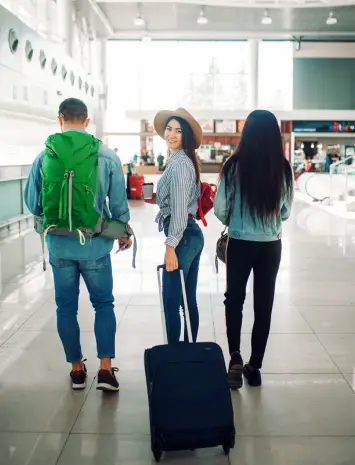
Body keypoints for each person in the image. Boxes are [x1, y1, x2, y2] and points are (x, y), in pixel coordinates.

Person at [24, 98, 132, 392]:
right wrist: (123, 232)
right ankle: (106, 370)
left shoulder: (44, 156)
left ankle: (76, 370)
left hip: (59, 246)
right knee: (103, 304)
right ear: (87, 121)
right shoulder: (106, 155)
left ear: (60, 119)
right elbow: (120, 205)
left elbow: (33, 203)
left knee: (65, 308)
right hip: (95, 245)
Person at [214, 110, 293, 389]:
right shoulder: (283, 168)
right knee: (264, 304)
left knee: (234, 299)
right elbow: (285, 211)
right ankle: (254, 366)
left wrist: (236, 222)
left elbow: (221, 208)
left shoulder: (233, 165)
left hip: (240, 243)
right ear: (275, 135)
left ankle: (234, 357)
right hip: (270, 246)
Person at [145, 108, 204, 343]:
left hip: (182, 237)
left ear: (186, 136)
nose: (171, 134)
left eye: (178, 131)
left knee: (171, 300)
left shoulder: (179, 164)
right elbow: (182, 199)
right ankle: (189, 354)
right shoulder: (183, 160)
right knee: (187, 300)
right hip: (191, 235)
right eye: (169, 128)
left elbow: (179, 209)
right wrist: (158, 197)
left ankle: (174, 357)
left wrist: (170, 246)